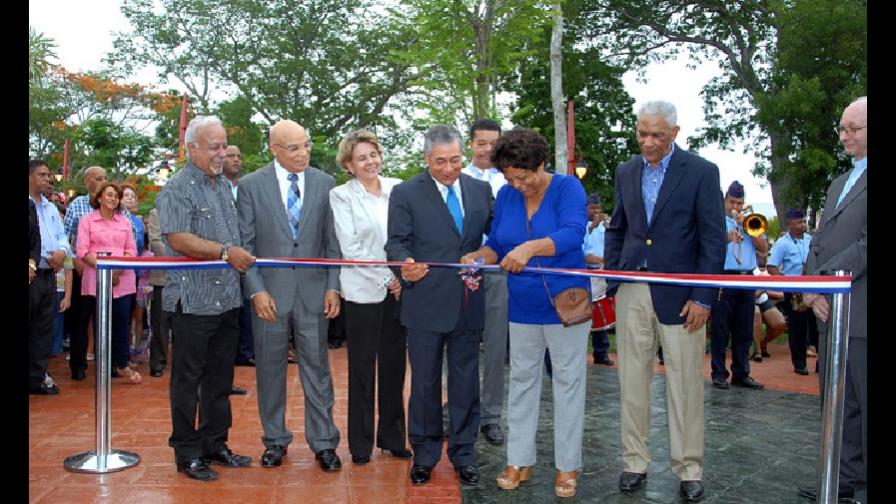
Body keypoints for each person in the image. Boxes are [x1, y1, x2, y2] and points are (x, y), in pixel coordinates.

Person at [604, 100, 726, 502]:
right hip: (633, 290)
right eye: (642, 133)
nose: (648, 142)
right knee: (631, 383)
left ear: (675, 132)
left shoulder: (702, 172)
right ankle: (633, 462)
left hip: (682, 297)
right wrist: (614, 277)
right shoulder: (626, 171)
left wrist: (703, 296)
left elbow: (712, 239)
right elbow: (617, 228)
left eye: (657, 134)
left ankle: (689, 468)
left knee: (686, 385)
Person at [461, 127, 590, 498]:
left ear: (542, 165)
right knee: (521, 383)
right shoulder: (506, 195)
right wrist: (477, 257)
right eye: (510, 178)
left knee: (568, 385)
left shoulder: (568, 188)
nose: (517, 185)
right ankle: (519, 459)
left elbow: (572, 234)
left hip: (566, 305)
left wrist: (530, 248)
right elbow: (500, 243)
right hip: (523, 305)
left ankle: (567, 466)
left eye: (524, 177)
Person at [384, 125, 493, 487]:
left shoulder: (480, 190)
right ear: (426, 159)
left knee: (465, 385)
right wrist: (406, 267)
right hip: (425, 303)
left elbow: (495, 237)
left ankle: (464, 453)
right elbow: (396, 244)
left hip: (468, 302)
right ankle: (425, 454)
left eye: (456, 160)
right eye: (441, 161)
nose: (449, 168)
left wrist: (485, 254)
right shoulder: (406, 192)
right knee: (425, 385)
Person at [237, 119, 343, 472]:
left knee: (318, 370)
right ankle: (275, 440)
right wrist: (256, 292)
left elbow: (332, 243)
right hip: (271, 295)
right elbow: (245, 245)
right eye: (294, 148)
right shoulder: (251, 186)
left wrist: (332, 285)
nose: (303, 153)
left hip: (314, 293)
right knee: (269, 371)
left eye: (306, 145)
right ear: (274, 150)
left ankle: (325, 443)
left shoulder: (326, 184)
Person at [156, 116, 256, 481]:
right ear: (192, 148)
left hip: (227, 299)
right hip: (193, 303)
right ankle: (187, 451)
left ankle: (215, 444)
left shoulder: (222, 188)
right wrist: (224, 250)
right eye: (214, 146)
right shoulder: (177, 188)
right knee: (187, 380)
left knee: (219, 378)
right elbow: (178, 238)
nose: (222, 153)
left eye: (223, 144)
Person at [798, 96, 867, 503]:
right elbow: (819, 240)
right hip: (830, 313)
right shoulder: (839, 183)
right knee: (836, 404)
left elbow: (864, 245)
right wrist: (810, 286)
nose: (843, 136)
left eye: (852, 129)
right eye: (842, 128)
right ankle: (840, 479)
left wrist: (824, 279)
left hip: (859, 312)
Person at [329, 129, 410, 465]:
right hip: (363, 291)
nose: (370, 162)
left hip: (400, 291)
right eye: (361, 158)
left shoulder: (398, 189)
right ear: (349, 164)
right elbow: (351, 248)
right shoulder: (341, 196)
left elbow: (408, 235)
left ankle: (392, 438)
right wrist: (387, 277)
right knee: (361, 368)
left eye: (373, 154)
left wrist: (400, 277)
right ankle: (360, 444)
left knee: (394, 367)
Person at [460, 118, 509, 445]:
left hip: (498, 271)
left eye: (494, 142)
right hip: (460, 271)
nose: (487, 149)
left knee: (495, 346)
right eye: (481, 142)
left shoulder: (511, 180)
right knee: (458, 346)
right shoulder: (454, 176)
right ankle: (458, 410)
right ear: (471, 144)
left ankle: (491, 415)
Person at [75, 181, 141, 385]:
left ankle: (122, 364)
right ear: (99, 197)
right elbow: (82, 251)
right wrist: (104, 270)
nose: (113, 199)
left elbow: (131, 249)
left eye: (116, 196)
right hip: (96, 279)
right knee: (98, 323)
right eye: (109, 195)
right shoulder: (87, 221)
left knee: (122, 322)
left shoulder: (124, 222)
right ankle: (100, 366)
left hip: (122, 279)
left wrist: (117, 269)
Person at [709, 181, 766, 390]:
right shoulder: (717, 221)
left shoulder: (751, 221)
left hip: (746, 278)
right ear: (725, 201)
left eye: (740, 202)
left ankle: (742, 373)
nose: (736, 207)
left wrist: (749, 230)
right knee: (721, 328)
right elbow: (709, 245)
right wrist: (728, 237)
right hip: (725, 277)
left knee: (744, 329)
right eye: (732, 202)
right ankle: (719, 373)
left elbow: (763, 249)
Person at [29, 160, 73, 394]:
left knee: (43, 330)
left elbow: (62, 236)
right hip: (31, 272)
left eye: (49, 175)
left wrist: (62, 251)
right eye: (42, 175)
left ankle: (36, 377)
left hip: (49, 273)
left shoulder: (51, 208)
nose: (47, 179)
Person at [767, 208, 817, 375]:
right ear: (790, 223)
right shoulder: (783, 243)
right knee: (798, 327)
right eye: (798, 222)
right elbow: (771, 266)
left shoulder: (810, 240)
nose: (802, 225)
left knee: (816, 324)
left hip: (812, 288)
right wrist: (784, 283)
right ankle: (799, 362)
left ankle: (821, 362)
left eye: (803, 222)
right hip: (794, 289)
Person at [223, 145, 256, 368]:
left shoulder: (247, 187)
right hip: (222, 259)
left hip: (247, 257)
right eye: (231, 156)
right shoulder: (216, 187)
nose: (236, 159)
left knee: (247, 305)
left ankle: (245, 352)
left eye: (238, 156)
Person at [583, 192, 614, 366]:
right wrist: (592, 226)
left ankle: (601, 352)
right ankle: (582, 350)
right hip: (587, 271)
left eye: (597, 208)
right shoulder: (581, 225)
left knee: (602, 313)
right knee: (586, 313)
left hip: (602, 273)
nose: (596, 211)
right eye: (592, 207)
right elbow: (582, 249)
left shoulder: (604, 226)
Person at [121, 183, 147, 357]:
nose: (130, 198)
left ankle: (127, 351)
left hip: (135, 272)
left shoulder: (139, 222)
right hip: (119, 271)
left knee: (132, 311)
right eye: (126, 195)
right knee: (122, 315)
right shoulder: (117, 218)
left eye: (132, 195)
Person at [145, 208, 170, 378]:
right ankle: (157, 362)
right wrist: (178, 257)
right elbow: (155, 241)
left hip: (189, 276)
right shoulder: (157, 213)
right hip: (163, 277)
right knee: (160, 322)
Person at [751, 261, 786, 362]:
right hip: (749, 300)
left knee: (780, 323)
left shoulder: (755, 265)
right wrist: (762, 289)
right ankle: (757, 352)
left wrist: (765, 290)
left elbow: (765, 286)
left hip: (763, 298)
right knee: (756, 313)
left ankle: (763, 343)